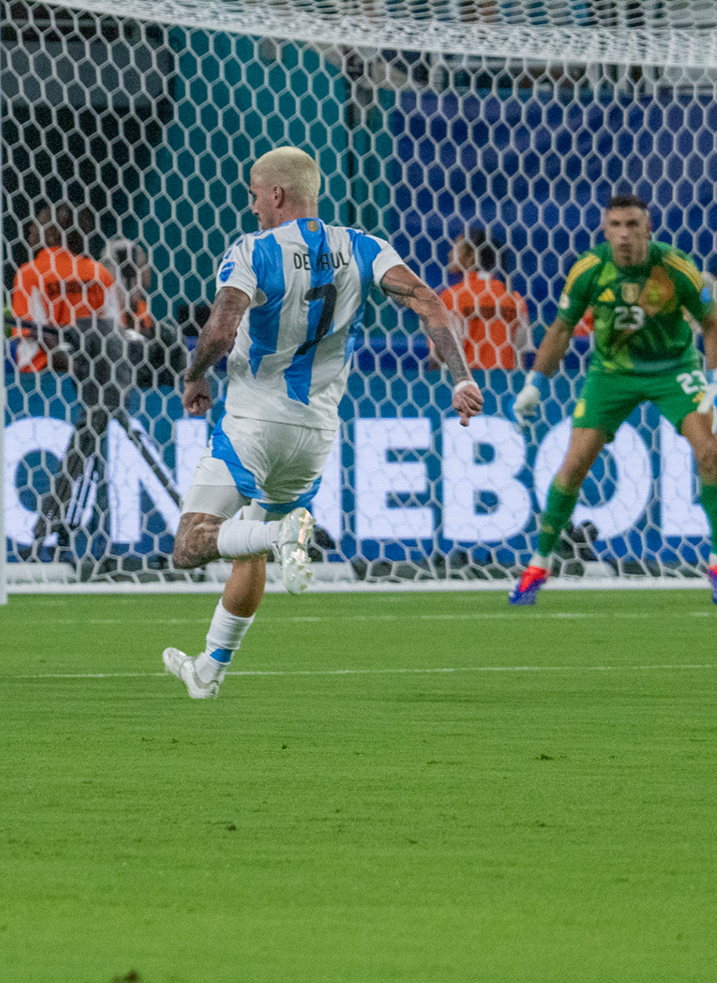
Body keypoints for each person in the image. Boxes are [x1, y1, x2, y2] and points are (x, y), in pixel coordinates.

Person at [164, 145, 482, 700]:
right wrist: (459, 377)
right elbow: (429, 301)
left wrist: (194, 376)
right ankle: (210, 668)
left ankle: (282, 535)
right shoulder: (363, 247)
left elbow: (219, 329)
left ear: (278, 194)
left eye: (256, 194)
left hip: (254, 423)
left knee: (191, 545)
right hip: (315, 434)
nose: (254, 205)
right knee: (251, 547)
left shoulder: (252, 250)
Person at [510, 193, 717, 606]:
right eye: (615, 226)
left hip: (674, 369)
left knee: (710, 452)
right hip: (611, 372)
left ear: (648, 228)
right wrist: (535, 383)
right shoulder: (590, 269)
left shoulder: (674, 267)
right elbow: (561, 328)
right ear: (604, 230)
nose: (624, 235)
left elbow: (712, 321)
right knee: (575, 462)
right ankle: (538, 564)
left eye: (633, 225)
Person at [439, 228, 529, 374]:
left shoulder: (449, 297)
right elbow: (520, 355)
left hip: (466, 387)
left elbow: (438, 354)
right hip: (505, 385)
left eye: (455, 248)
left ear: (471, 256)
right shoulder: (514, 298)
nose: (449, 254)